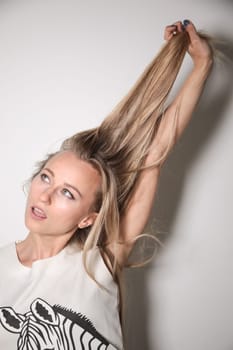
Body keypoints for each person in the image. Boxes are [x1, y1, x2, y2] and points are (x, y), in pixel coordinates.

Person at [0, 20, 213, 349]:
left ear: (89, 217)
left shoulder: (100, 264)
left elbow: (155, 152)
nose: (45, 195)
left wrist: (202, 64)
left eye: (68, 193)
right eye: (46, 177)